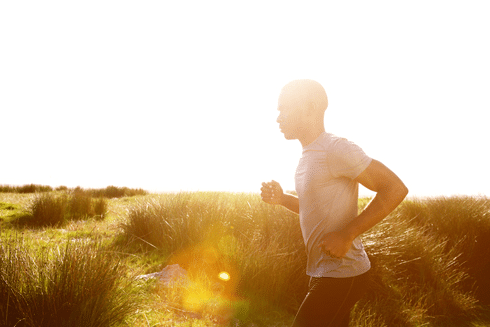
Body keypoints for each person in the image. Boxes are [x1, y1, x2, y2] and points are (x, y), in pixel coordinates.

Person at [260, 79, 408, 327]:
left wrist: (347, 234)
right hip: (321, 272)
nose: (278, 117)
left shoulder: (335, 149)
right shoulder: (308, 156)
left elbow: (395, 188)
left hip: (343, 273)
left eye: (284, 108)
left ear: (311, 107)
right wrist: (283, 199)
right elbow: (314, 209)